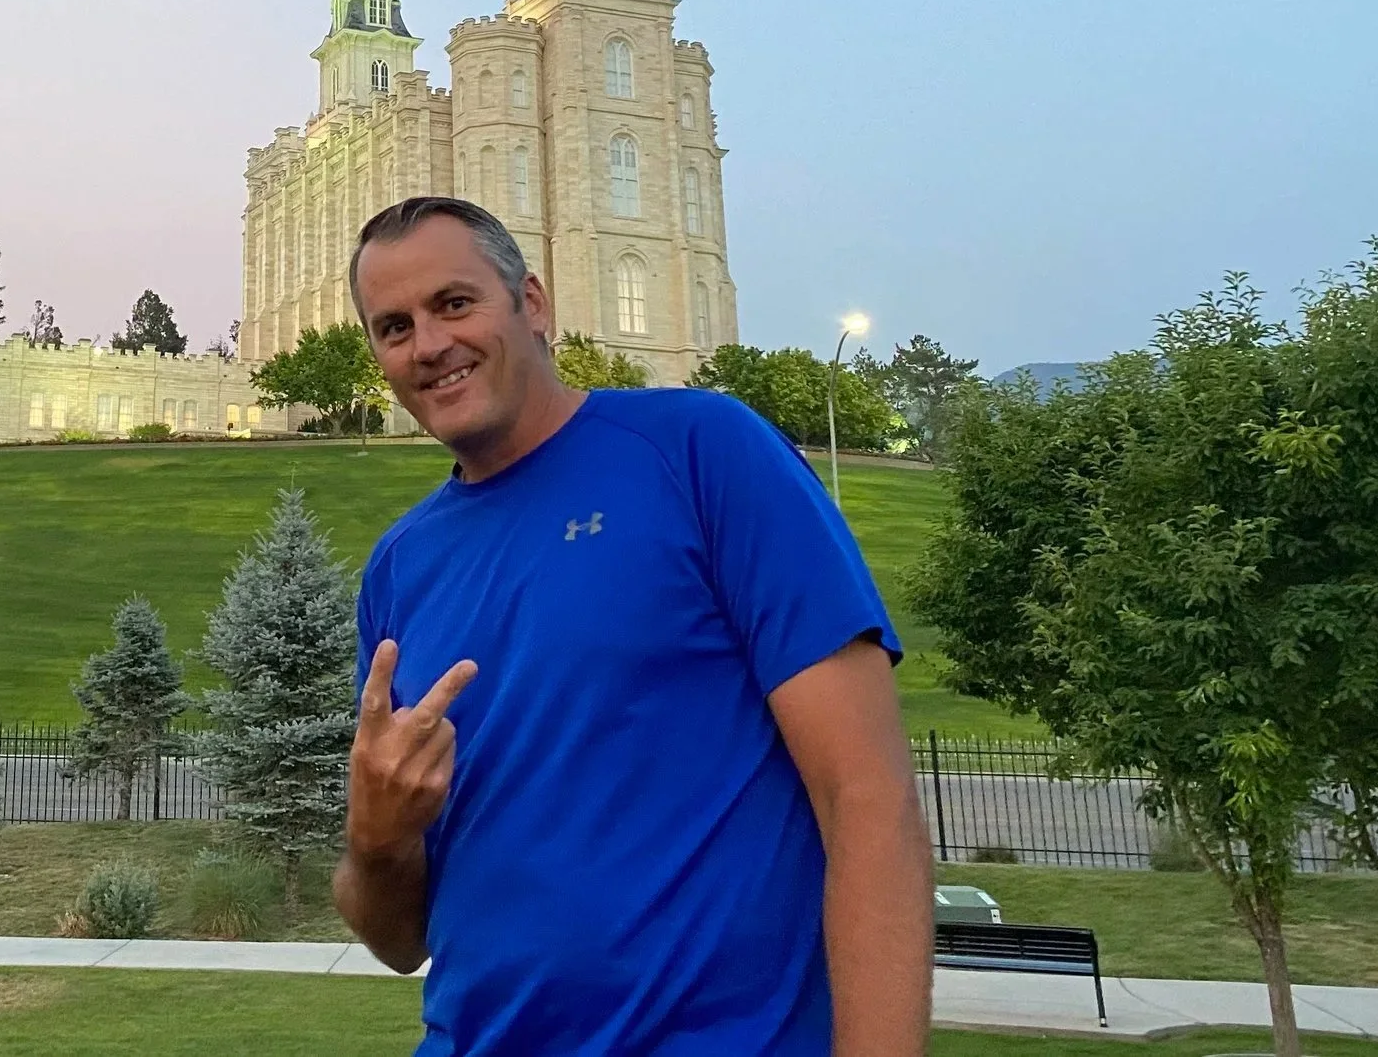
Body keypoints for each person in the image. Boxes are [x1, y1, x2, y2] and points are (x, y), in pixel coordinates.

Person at [335, 196, 932, 1057]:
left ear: (532, 304)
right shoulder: (400, 569)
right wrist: (376, 839)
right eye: (394, 326)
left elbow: (868, 797)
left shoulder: (702, 450)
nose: (428, 344)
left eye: (455, 303)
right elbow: (401, 941)